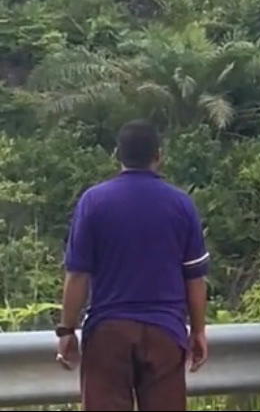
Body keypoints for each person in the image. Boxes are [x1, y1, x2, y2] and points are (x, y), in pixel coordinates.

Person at [55, 119, 210, 412]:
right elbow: (195, 278)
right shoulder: (181, 204)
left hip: (108, 333)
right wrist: (198, 331)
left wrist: (66, 331)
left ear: (117, 155)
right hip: (166, 332)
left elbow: (77, 275)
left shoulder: (93, 202)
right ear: (158, 156)